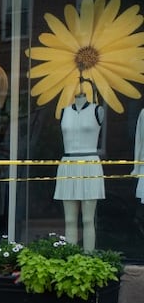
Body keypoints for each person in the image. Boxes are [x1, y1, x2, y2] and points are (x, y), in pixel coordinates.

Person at [53, 82, 105, 251]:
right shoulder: (64, 111)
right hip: (68, 164)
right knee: (69, 220)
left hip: (90, 164)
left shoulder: (97, 110)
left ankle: (89, 259)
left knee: (88, 219)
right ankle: (71, 258)